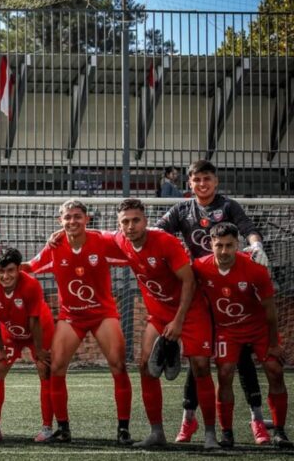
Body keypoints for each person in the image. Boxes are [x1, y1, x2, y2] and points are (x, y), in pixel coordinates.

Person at [155, 159, 271, 444]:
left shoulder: (228, 206)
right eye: (197, 180)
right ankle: (188, 420)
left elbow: (248, 228)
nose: (202, 184)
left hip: (229, 288)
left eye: (207, 179)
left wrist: (256, 245)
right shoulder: (182, 209)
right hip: (199, 290)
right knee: (199, 358)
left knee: (241, 356)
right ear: (190, 184)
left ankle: (257, 420)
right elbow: (157, 232)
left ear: (215, 181)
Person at [109, 199, 218, 450]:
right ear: (119, 224)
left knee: (201, 367)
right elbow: (95, 235)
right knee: (145, 366)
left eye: (136, 220)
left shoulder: (165, 242)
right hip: (158, 315)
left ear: (145, 220)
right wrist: (61, 232)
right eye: (125, 221)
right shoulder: (120, 240)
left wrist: (178, 321)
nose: (131, 225)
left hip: (190, 311)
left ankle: (211, 434)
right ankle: (157, 432)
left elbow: (189, 282)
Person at [25, 199, 133, 445]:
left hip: (102, 314)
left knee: (118, 366)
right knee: (56, 368)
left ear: (87, 219)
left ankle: (123, 429)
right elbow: (29, 266)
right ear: (59, 221)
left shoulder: (102, 241)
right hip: (71, 316)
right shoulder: (55, 246)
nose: (72, 221)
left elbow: (132, 248)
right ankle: (63, 429)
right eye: (67, 217)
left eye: (77, 216)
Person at [193, 222, 291, 449]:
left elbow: (270, 309)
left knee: (275, 371)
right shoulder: (200, 267)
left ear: (238, 245)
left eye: (230, 245)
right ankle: (227, 433)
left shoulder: (255, 270)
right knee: (225, 373)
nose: (224, 251)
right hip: (227, 330)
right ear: (210, 244)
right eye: (219, 246)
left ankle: (279, 432)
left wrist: (274, 343)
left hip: (259, 329)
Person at [0, 247, 54, 442]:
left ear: (19, 269)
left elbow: (35, 322)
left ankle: (47, 428)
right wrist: (1, 349)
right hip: (10, 332)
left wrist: (39, 351)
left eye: (10, 270)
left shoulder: (31, 285)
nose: (6, 276)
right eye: (1, 271)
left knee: (44, 369)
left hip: (39, 330)